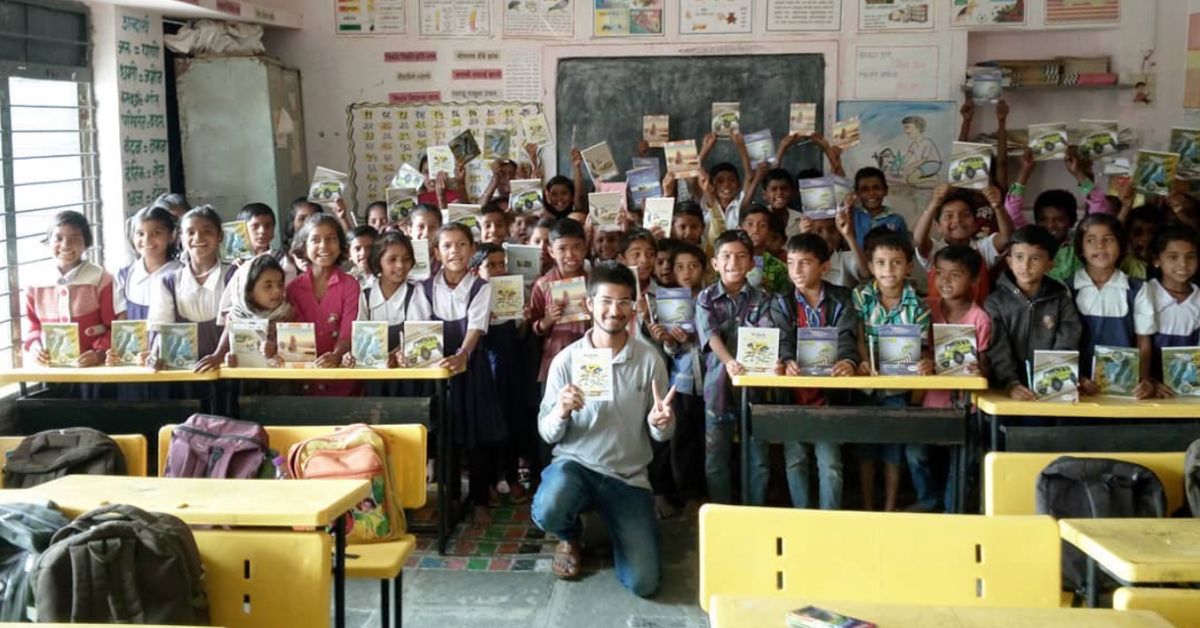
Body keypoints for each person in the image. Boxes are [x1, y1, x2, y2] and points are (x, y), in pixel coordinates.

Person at [531, 262, 675, 597]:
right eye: (606, 301)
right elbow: (547, 433)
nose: (615, 310)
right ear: (589, 304)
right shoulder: (566, 360)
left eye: (625, 301)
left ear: (634, 307)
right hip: (575, 467)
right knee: (549, 508)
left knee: (644, 583)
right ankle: (569, 535)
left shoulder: (649, 359)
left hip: (628, 476)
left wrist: (662, 423)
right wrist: (562, 411)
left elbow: (662, 433)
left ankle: (617, 527)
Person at [695, 230, 790, 505]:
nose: (733, 262)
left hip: (755, 390)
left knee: (758, 456)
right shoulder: (706, 298)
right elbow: (710, 335)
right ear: (715, 263)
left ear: (751, 263)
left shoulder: (763, 298)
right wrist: (729, 361)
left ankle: (754, 509)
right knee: (716, 457)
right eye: (725, 256)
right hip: (718, 389)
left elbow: (766, 334)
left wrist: (772, 360)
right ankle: (723, 512)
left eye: (740, 256)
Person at [423, 224, 506, 526]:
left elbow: (476, 328)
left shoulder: (480, 287)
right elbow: (420, 330)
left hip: (471, 369)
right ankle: (451, 496)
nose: (454, 251)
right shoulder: (425, 287)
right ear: (436, 253)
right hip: (437, 372)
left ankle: (480, 498)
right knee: (445, 433)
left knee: (477, 437)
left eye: (461, 245)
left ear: (472, 251)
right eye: (447, 246)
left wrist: (462, 355)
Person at [851, 231, 935, 512]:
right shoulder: (861, 296)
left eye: (896, 262)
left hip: (898, 388)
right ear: (872, 266)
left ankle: (888, 508)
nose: (889, 270)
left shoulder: (919, 307)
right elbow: (859, 337)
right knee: (865, 450)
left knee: (893, 450)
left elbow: (922, 348)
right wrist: (864, 362)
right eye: (881, 263)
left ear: (909, 266)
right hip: (865, 384)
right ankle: (866, 506)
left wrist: (924, 361)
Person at [781, 233, 860, 510]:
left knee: (830, 463)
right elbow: (781, 338)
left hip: (828, 395)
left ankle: (830, 520)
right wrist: (787, 359)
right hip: (793, 395)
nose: (796, 271)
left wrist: (848, 361)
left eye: (805, 263)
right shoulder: (782, 302)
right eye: (791, 263)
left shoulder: (841, 298)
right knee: (795, 460)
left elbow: (848, 335)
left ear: (824, 267)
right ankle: (801, 519)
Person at [924, 245, 990, 511]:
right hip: (932, 404)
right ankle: (931, 503)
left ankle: (954, 514)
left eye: (955, 274)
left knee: (959, 464)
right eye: (940, 273)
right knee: (921, 456)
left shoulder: (980, 318)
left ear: (974, 280)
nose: (946, 281)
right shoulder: (926, 309)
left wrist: (979, 369)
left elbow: (985, 361)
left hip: (967, 407)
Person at [984, 226, 1082, 400]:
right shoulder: (995, 302)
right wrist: (1011, 383)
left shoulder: (1060, 299)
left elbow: (1067, 341)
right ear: (1009, 261)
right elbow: (998, 349)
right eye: (1019, 257)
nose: (1025, 266)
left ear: (1051, 264)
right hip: (1005, 390)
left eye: (1035, 258)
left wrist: (1052, 380)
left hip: (1052, 388)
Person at [1071, 214, 1157, 399]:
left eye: (1108, 239)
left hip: (1123, 389)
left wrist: (1143, 379)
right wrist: (1076, 378)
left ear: (1121, 245)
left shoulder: (1138, 289)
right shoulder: (1067, 289)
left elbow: (1143, 341)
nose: (1100, 246)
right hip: (1079, 388)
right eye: (1091, 240)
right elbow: (1062, 343)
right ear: (1080, 247)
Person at [24, 210, 117, 372]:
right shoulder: (35, 283)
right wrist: (35, 348)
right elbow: (33, 326)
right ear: (48, 241)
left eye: (75, 239)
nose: (66, 245)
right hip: (52, 369)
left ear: (86, 243)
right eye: (58, 238)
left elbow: (114, 327)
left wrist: (100, 353)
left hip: (96, 370)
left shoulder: (101, 279)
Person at [148, 206, 237, 374]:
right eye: (190, 232)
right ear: (180, 238)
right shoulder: (168, 282)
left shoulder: (233, 276)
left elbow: (235, 323)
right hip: (183, 372)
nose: (198, 237)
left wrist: (218, 356)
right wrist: (154, 354)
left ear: (220, 236)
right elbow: (161, 328)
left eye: (207, 231)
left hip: (225, 369)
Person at [286, 213, 360, 394]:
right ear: (303, 247)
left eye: (331, 239)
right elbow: (291, 335)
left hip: (342, 379)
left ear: (341, 244)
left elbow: (348, 332)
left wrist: (336, 355)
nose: (324, 246)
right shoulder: (293, 288)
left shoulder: (350, 285)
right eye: (315, 240)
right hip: (304, 382)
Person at [913, 184, 1013, 306]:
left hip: (977, 322)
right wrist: (934, 204)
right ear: (938, 227)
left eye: (966, 215)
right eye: (949, 216)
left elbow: (1007, 237)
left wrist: (998, 207)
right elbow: (919, 240)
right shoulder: (935, 251)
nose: (957, 220)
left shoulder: (982, 248)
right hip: (938, 321)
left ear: (976, 223)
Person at [530, 218, 591, 383]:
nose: (570, 254)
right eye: (562, 249)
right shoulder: (543, 285)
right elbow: (534, 325)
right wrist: (548, 320)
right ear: (551, 251)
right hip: (555, 357)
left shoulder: (594, 283)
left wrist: (592, 315)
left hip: (590, 357)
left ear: (585, 248)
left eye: (576, 247)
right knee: (554, 405)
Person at [213, 254, 293, 367]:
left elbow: (294, 355)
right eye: (268, 286)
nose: (277, 291)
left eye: (280, 285)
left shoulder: (286, 315)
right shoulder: (235, 316)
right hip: (244, 380)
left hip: (277, 381)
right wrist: (227, 358)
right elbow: (222, 353)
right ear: (248, 290)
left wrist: (275, 350)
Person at [1148, 225, 1200, 389]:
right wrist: (1148, 381)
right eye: (1173, 257)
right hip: (1148, 386)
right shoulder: (1145, 294)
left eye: (1190, 257)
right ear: (1157, 260)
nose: (1183, 264)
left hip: (1188, 387)